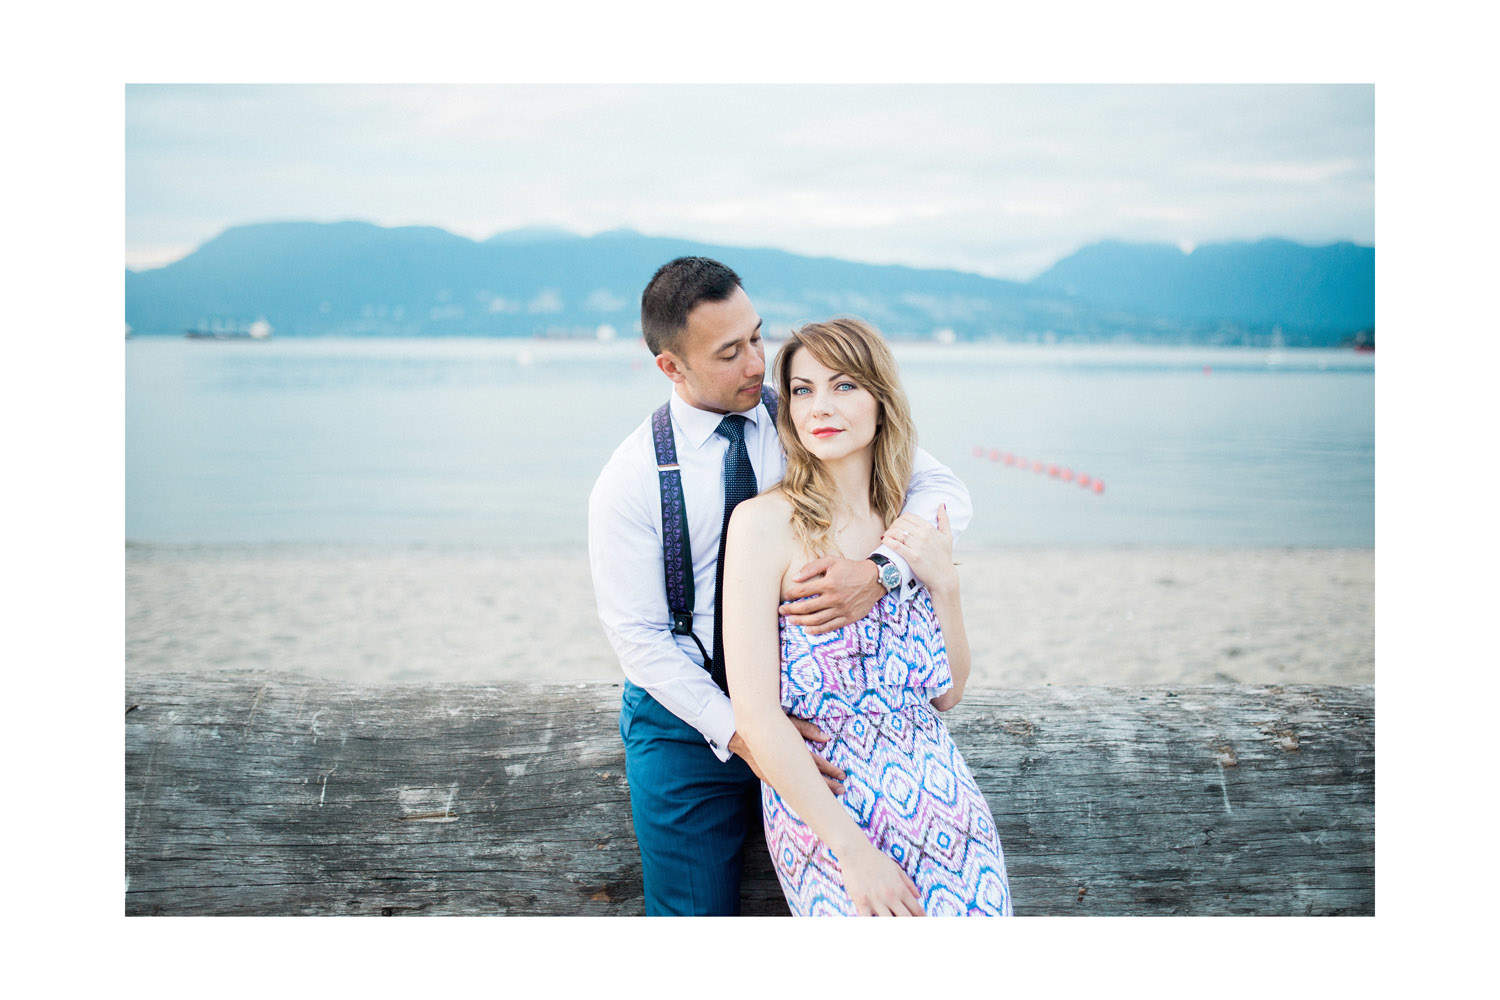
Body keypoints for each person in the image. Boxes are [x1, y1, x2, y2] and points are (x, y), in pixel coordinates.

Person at [588, 258, 973, 916]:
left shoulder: (803, 418)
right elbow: (639, 640)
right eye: (730, 352)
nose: (756, 365)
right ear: (672, 368)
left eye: (758, 338)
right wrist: (747, 735)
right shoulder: (630, 479)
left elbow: (944, 493)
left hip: (822, 711)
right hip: (689, 722)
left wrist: (879, 572)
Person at [720, 317, 1013, 916]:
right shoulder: (762, 524)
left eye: (844, 385)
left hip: (948, 805)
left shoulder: (907, 520)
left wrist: (945, 582)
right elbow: (754, 714)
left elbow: (948, 692)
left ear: (881, 399)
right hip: (833, 820)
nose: (820, 407)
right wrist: (852, 852)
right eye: (802, 390)